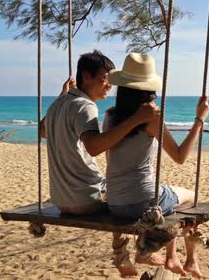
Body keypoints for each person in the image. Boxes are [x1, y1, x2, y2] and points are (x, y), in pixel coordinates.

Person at [103, 53, 209, 278]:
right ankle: (185, 259)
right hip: (141, 201)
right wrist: (199, 120)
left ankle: (175, 258)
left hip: (114, 203)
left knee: (166, 195)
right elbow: (180, 156)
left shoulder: (110, 117)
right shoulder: (152, 117)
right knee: (191, 196)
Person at [40, 50, 159, 214]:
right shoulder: (85, 106)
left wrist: (62, 95)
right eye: (105, 79)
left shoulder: (58, 104)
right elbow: (94, 147)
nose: (110, 85)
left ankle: (119, 240)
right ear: (87, 76)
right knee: (125, 194)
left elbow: (43, 131)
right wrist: (136, 119)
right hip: (86, 199)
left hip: (61, 201)